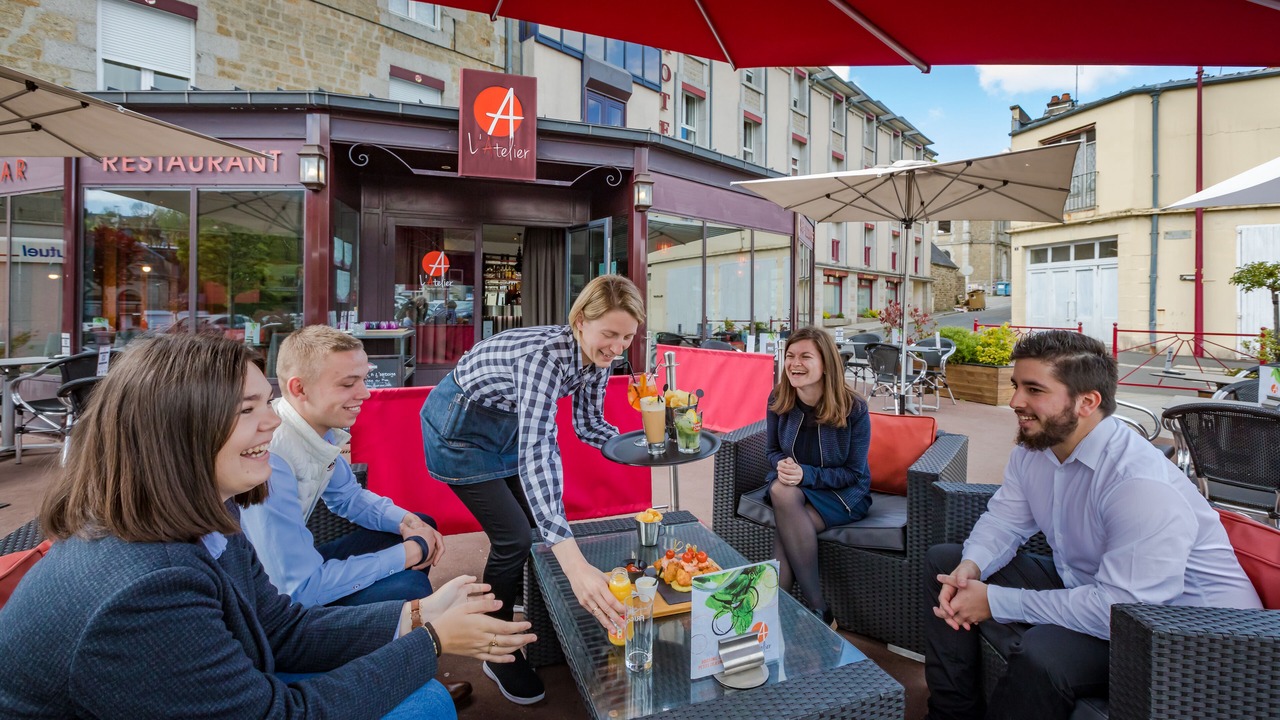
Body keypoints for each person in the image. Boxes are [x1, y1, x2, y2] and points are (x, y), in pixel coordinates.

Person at [0, 332, 535, 719]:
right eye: (247, 409)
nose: (273, 420)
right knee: (425, 705)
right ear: (176, 433)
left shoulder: (210, 514)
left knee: (424, 695)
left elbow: (280, 626)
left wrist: (421, 615)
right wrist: (433, 641)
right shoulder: (144, 589)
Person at [924, 330, 1261, 720]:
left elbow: (1121, 611)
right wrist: (972, 568)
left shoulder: (1137, 483)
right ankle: (951, 714)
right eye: (1017, 386)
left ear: (1087, 402)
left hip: (1190, 634)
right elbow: (1005, 519)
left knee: (1045, 652)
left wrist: (994, 601)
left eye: (1034, 390)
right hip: (1099, 590)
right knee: (946, 564)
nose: (1015, 401)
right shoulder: (1034, 450)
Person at [419, 274, 644, 705]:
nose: (618, 348)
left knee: (535, 529)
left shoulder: (600, 357)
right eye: (610, 334)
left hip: (506, 428)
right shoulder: (543, 357)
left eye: (628, 337)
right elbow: (539, 451)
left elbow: (588, 425)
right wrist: (574, 562)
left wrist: (640, 448)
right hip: (459, 431)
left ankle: (526, 604)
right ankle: (497, 650)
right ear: (580, 321)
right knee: (514, 537)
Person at [238, 326, 471, 702]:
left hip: (294, 571)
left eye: (363, 379)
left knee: (420, 524)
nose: (364, 393)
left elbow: (346, 496)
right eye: (349, 383)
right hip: (275, 601)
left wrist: (405, 522)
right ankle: (397, 674)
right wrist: (407, 553)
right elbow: (299, 591)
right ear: (299, 389)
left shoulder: (315, 429)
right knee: (409, 584)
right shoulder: (272, 459)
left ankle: (388, 648)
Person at [764, 326, 872, 628]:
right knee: (781, 492)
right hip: (796, 488)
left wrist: (804, 474)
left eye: (805, 357)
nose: (794, 363)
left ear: (825, 363)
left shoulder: (854, 408)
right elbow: (771, 450)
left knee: (786, 516)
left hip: (843, 492)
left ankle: (782, 611)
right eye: (790, 356)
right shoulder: (778, 398)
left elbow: (854, 472)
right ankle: (817, 611)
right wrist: (783, 466)